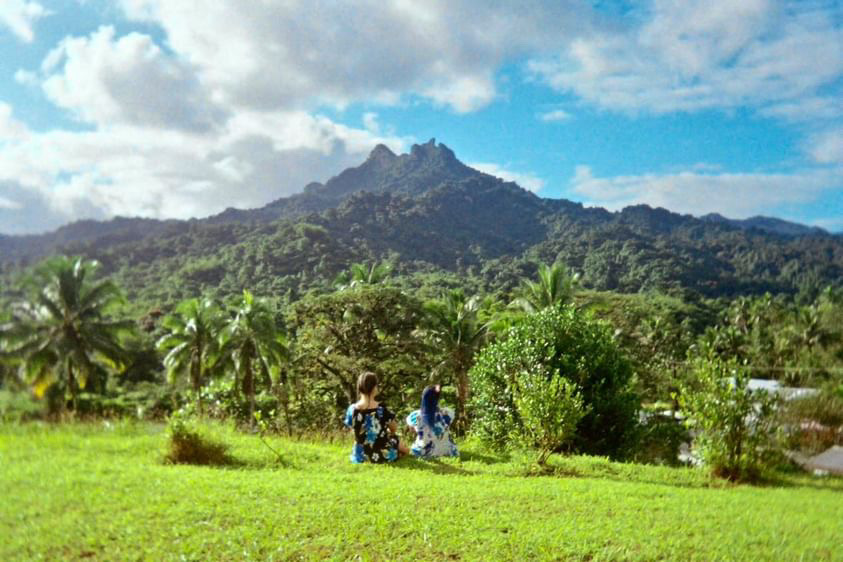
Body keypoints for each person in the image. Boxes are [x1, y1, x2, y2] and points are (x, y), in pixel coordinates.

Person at [343, 372, 408, 463]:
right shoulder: (381, 409)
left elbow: (352, 428)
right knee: (395, 439)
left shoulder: (352, 409)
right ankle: (401, 453)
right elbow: (394, 428)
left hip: (360, 455)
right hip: (381, 453)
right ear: (374, 387)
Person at [406, 385, 459, 458]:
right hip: (446, 450)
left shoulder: (415, 416)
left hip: (424, 451)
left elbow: (412, 430)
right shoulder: (448, 413)